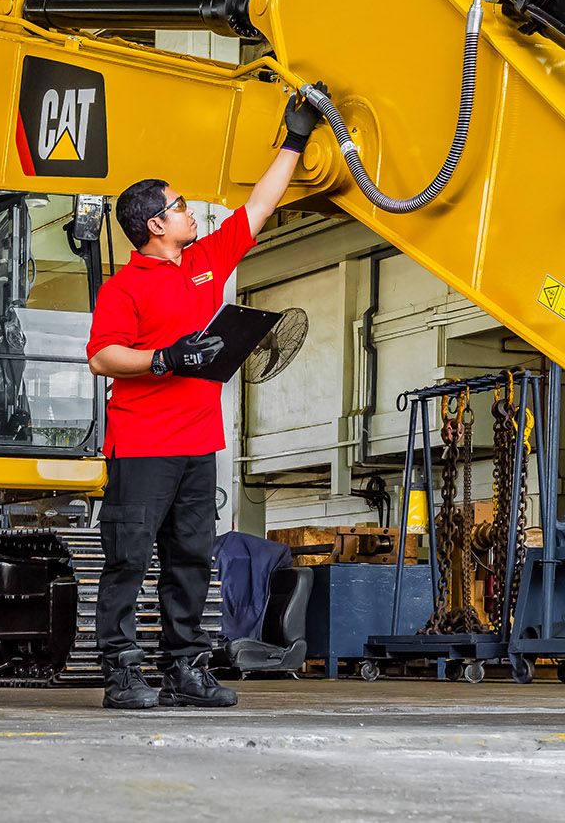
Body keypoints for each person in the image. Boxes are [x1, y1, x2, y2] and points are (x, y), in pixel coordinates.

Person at [86, 84, 327, 710]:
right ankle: (121, 672)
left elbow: (261, 207)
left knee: (191, 559)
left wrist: (294, 139)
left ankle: (186, 670)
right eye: (181, 206)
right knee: (128, 561)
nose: (192, 213)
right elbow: (102, 356)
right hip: (140, 445)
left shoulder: (204, 263)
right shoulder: (123, 288)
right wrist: (163, 358)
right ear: (154, 224)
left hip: (197, 444)